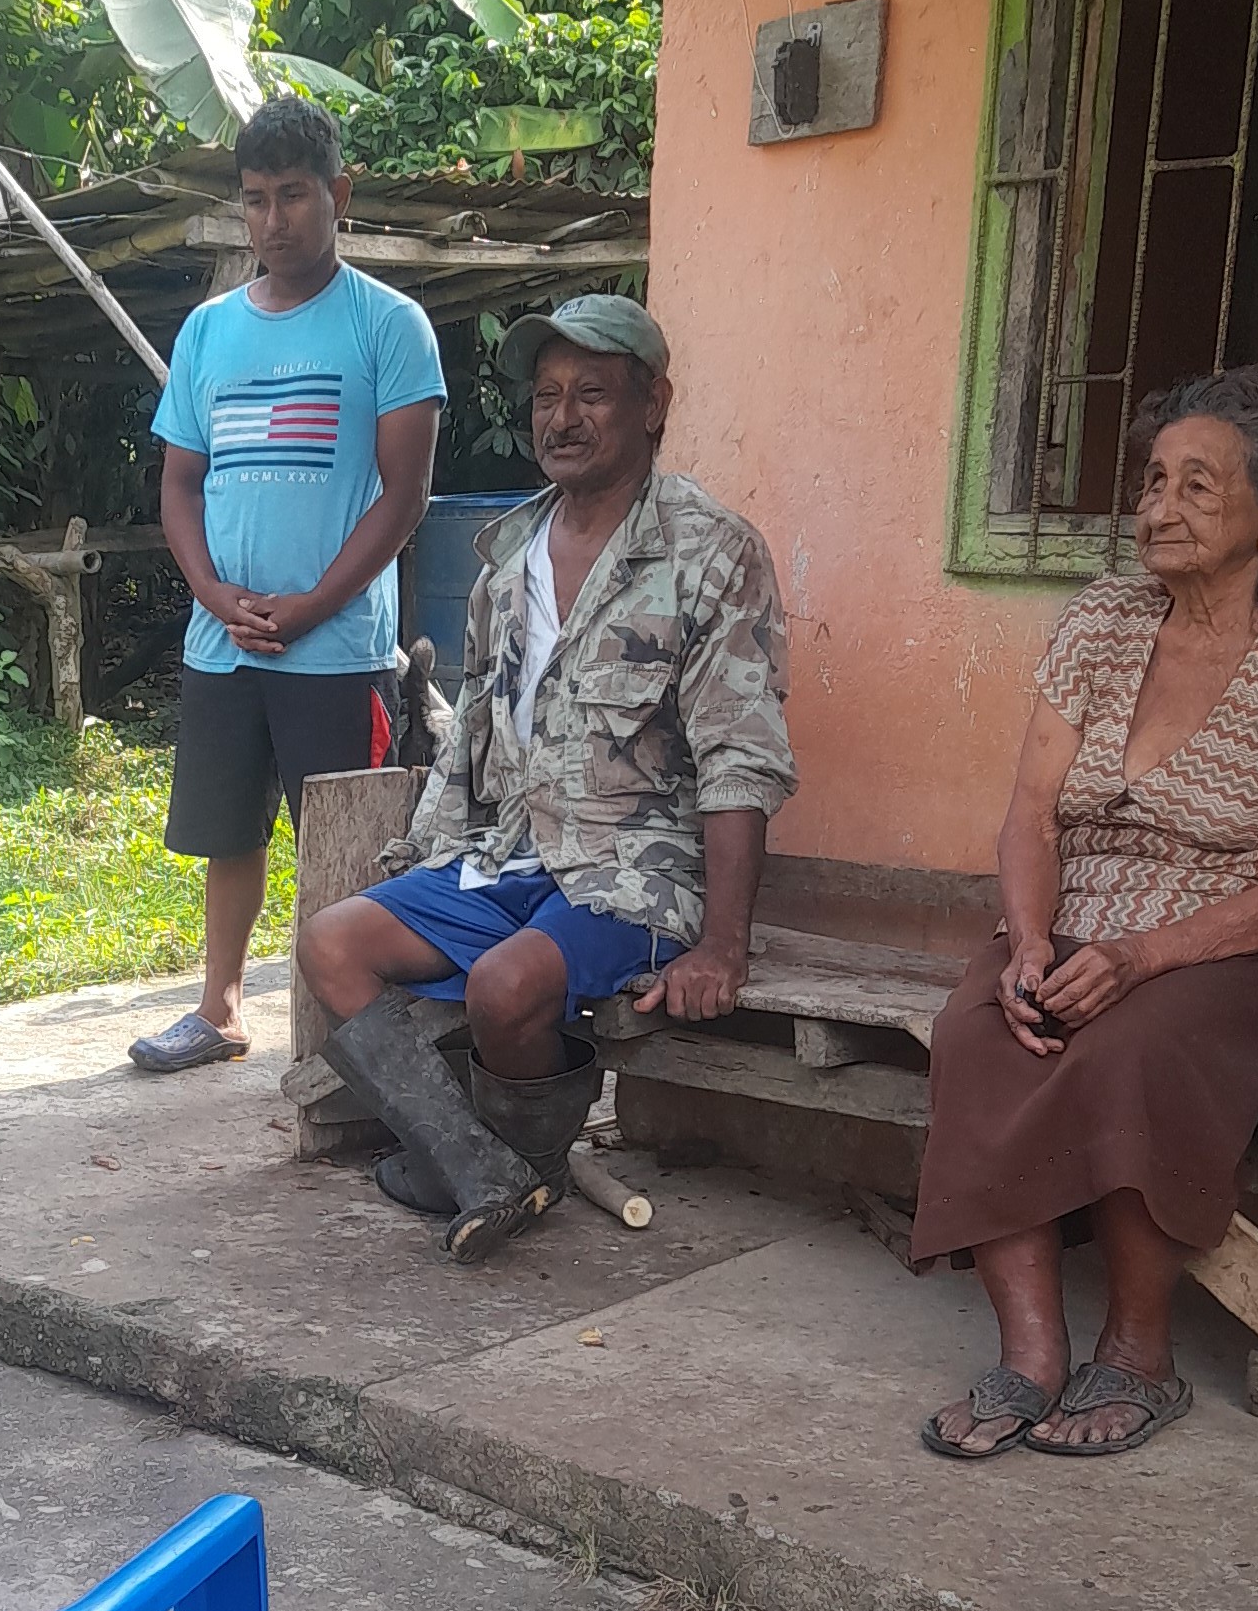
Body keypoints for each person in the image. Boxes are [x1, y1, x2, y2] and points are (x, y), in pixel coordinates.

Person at [915, 372, 1258, 1461]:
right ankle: (1029, 1353)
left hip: (1226, 952)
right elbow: (1030, 815)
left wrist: (1138, 957)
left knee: (1129, 1049)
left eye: (1197, 485)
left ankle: (1140, 1354)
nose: (1159, 508)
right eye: (1151, 482)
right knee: (980, 1030)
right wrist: (1030, 941)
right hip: (1073, 925)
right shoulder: (1101, 620)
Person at [293, 292, 794, 1260]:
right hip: (513, 853)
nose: (561, 418)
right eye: (547, 396)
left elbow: (742, 754)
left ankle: (510, 1161)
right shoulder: (506, 562)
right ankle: (477, 1168)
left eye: (591, 394)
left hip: (635, 869)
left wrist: (724, 946)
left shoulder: (709, 553)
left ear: (654, 404)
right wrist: (423, 855)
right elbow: (472, 736)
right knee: (333, 943)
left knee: (504, 987)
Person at [126, 94, 446, 1075]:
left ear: (339, 196)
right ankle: (219, 1010)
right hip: (224, 641)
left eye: (295, 195)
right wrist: (212, 593)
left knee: (346, 845)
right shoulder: (208, 332)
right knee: (230, 833)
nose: (274, 220)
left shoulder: (390, 326)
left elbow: (405, 495)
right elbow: (180, 483)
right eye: (257, 199)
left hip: (337, 645)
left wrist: (313, 606)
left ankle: (349, 1043)